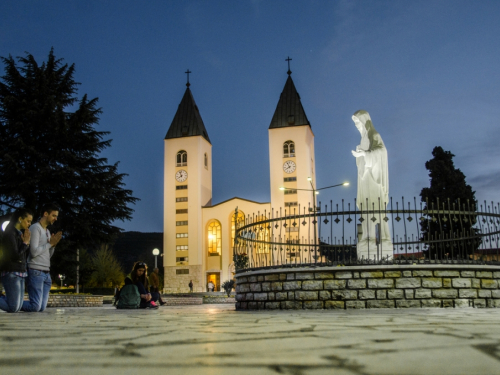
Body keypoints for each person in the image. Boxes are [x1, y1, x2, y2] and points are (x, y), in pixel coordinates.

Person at [351, 110, 392, 259]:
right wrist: (360, 155)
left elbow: (382, 152)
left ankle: (383, 238)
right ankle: (367, 238)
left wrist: (364, 154)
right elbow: (362, 160)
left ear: (364, 121)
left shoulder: (374, 135)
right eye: (355, 123)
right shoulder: (363, 139)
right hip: (364, 180)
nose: (356, 125)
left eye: (357, 122)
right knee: (366, 210)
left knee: (377, 209)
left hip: (374, 180)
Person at [22, 203, 62, 312]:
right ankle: (12, 302)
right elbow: (34, 252)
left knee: (41, 307)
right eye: (53, 215)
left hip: (46, 273)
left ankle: (14, 302)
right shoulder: (35, 228)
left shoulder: (47, 232)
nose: (56, 218)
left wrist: (53, 245)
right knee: (35, 306)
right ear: (45, 213)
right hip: (36, 271)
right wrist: (49, 244)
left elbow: (48, 255)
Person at [0, 208, 33, 313]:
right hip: (12, 272)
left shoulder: (19, 234)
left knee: (18, 307)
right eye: (28, 221)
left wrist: (26, 243)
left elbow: (22, 254)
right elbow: (14, 255)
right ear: (20, 219)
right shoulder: (10, 233)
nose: (29, 224)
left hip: (20, 272)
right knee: (13, 307)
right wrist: (25, 243)